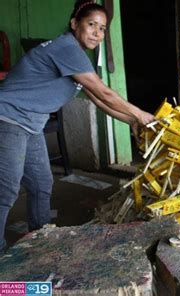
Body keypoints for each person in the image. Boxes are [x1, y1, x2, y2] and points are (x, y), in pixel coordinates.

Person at [0, 0, 156, 254]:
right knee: (5, 189)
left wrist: (131, 122)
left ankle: (40, 239)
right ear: (74, 24)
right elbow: (104, 93)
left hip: (30, 124)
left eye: (103, 28)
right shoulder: (66, 48)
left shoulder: (77, 57)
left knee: (41, 182)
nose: (97, 33)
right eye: (91, 24)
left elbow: (96, 99)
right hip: (7, 119)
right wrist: (140, 114)